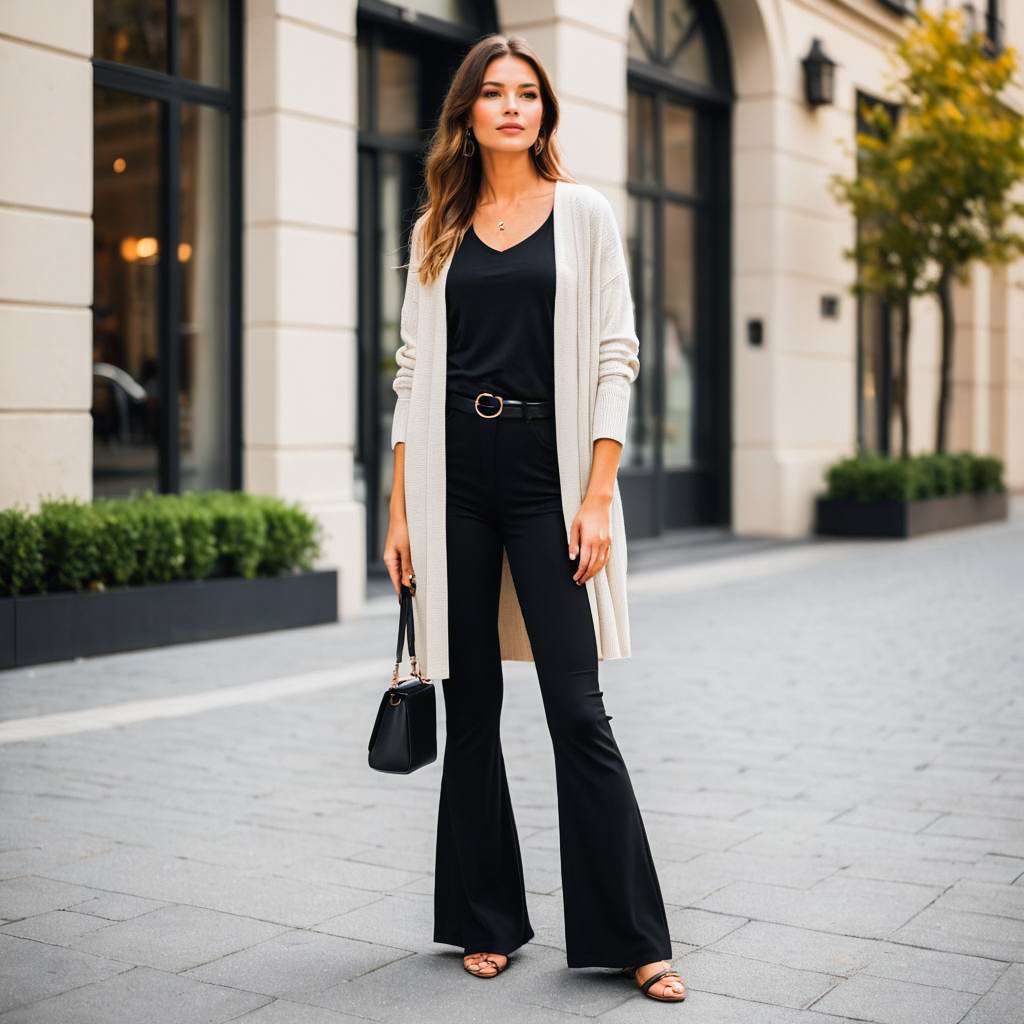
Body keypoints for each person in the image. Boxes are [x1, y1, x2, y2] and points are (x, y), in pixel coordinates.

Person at [382, 33, 686, 1005]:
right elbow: (410, 375)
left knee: (577, 709)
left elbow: (616, 354)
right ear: (468, 114)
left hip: (547, 478)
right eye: (494, 93)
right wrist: (397, 513)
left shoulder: (584, 214)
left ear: (543, 115)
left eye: (527, 94)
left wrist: (597, 493)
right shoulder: (437, 226)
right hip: (451, 479)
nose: (511, 107)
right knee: (470, 705)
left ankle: (634, 935)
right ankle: (485, 916)